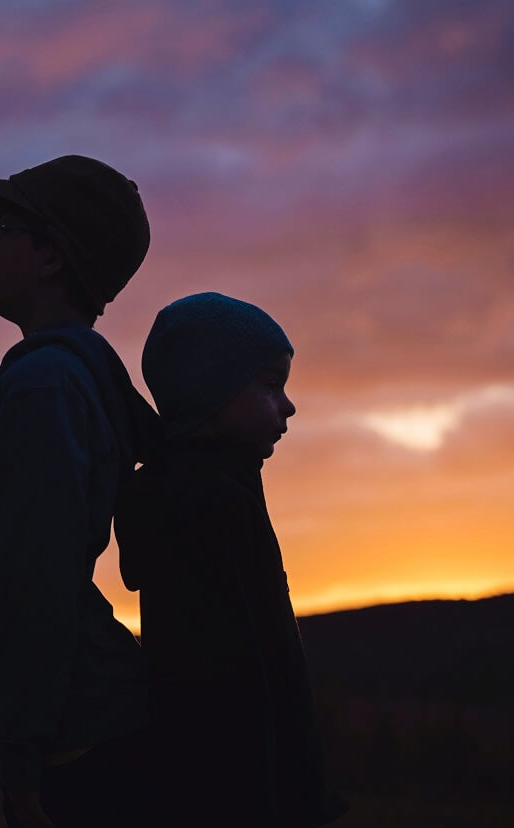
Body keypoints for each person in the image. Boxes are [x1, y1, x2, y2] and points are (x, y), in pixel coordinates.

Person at [0, 155, 158, 828]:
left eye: (2, 226)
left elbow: (35, 576)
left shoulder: (44, 388)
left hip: (74, 746)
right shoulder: (62, 379)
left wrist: (23, 755)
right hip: (78, 732)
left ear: (52, 259)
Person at [116, 292, 347, 827]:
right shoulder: (210, 503)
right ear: (209, 393)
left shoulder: (210, 488)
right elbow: (236, 678)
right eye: (271, 386)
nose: (288, 405)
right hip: (237, 795)